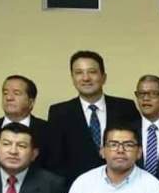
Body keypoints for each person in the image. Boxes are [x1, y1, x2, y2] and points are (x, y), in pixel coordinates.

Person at [46, 50, 140, 185]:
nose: (86, 78)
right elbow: (55, 160)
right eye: (79, 73)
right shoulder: (59, 112)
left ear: (103, 77)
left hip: (124, 185)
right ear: (72, 78)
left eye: (92, 72)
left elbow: (140, 142)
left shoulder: (125, 107)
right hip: (77, 188)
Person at [0, 75, 49, 168]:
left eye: (16, 93)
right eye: (5, 93)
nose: (8, 98)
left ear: (31, 102)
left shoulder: (47, 130)